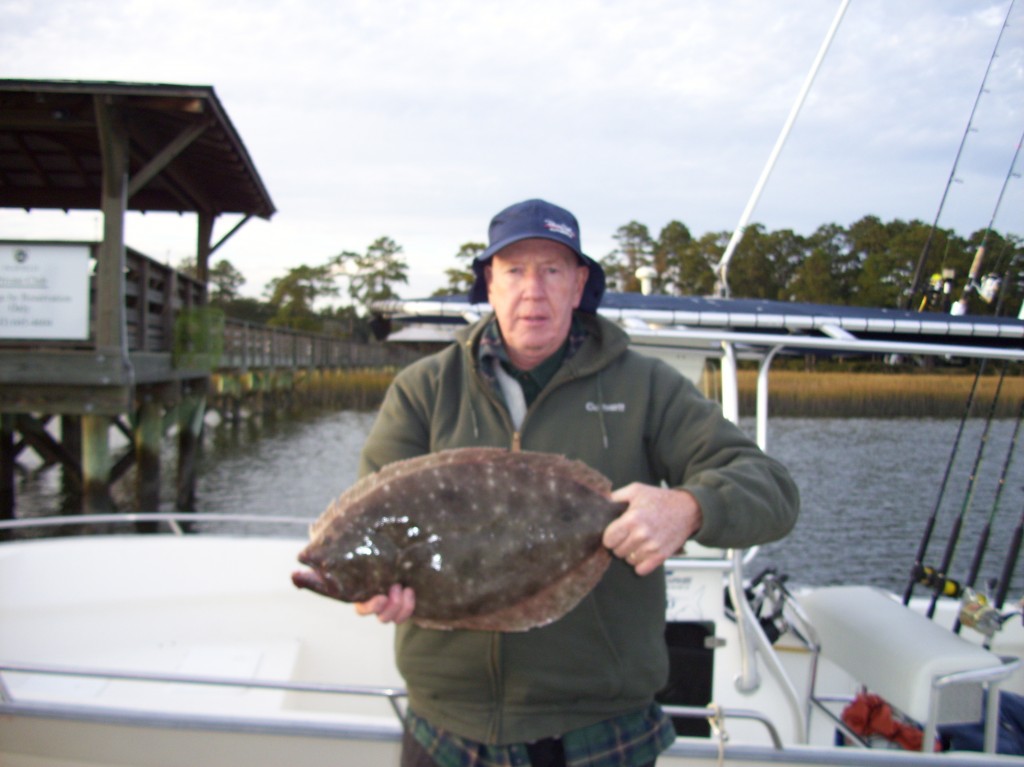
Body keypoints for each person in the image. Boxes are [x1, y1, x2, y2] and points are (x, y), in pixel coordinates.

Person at [355, 198, 800, 767]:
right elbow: (374, 518)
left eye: (553, 270)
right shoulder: (425, 390)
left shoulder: (647, 386)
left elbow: (771, 487)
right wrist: (377, 583)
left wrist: (688, 508)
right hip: (446, 725)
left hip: (596, 729)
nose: (533, 290)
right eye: (514, 270)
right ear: (489, 283)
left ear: (579, 283)